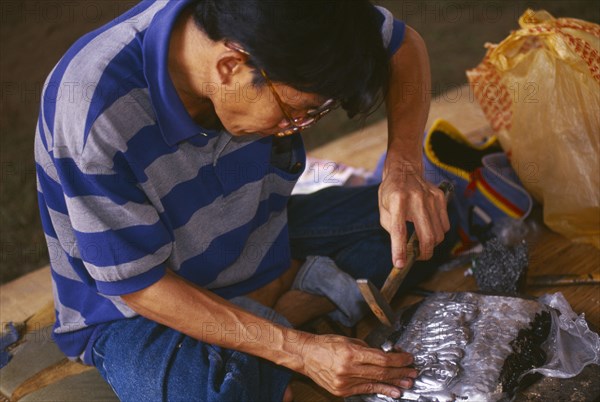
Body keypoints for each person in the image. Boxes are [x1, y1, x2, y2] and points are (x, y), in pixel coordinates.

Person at [34, 0, 453, 400]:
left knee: (429, 224)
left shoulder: (294, 21)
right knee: (205, 395)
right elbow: (139, 285)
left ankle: (274, 313)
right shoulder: (92, 111)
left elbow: (400, 43)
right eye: (296, 113)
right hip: (140, 307)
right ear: (230, 66)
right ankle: (290, 308)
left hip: (256, 234)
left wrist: (403, 168)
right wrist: (300, 351)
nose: (297, 128)